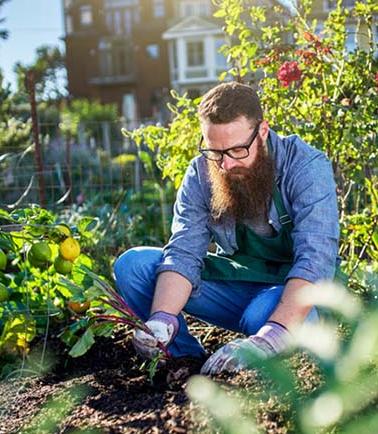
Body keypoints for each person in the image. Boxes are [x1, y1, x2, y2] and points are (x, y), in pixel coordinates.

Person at [113, 82, 340, 376]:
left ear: (262, 132)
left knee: (260, 316)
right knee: (134, 266)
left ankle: (267, 348)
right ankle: (184, 361)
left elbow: (316, 261)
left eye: (237, 150)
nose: (226, 164)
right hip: (239, 284)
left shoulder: (305, 166)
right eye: (215, 151)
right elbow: (184, 251)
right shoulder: (201, 173)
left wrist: (268, 337)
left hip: (292, 295)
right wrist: (162, 318)